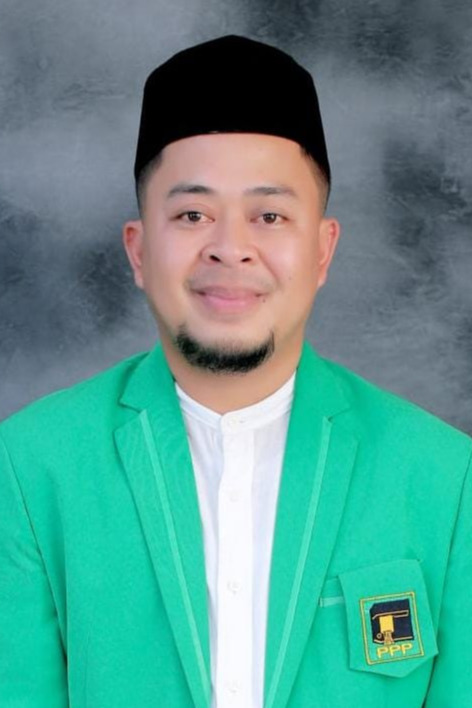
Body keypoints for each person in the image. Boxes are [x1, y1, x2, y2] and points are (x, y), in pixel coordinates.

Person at [0, 34, 471, 708]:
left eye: (269, 215)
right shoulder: (29, 469)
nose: (230, 248)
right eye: (192, 214)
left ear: (322, 250)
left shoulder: (446, 480)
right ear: (139, 250)